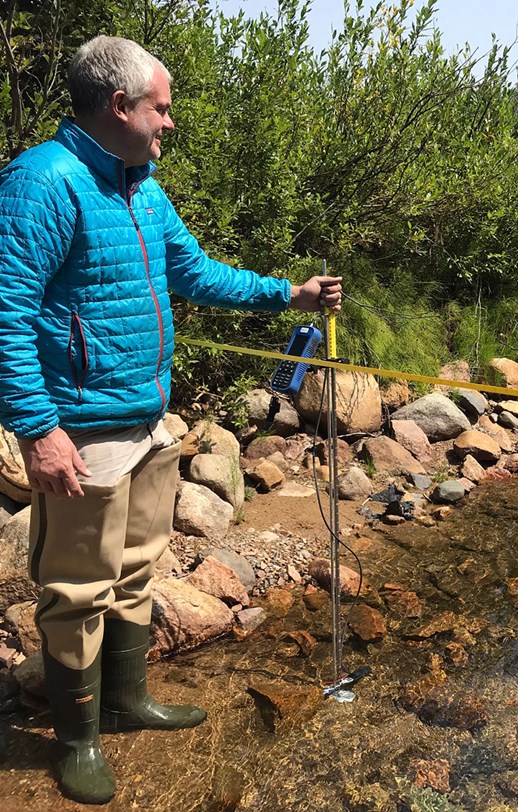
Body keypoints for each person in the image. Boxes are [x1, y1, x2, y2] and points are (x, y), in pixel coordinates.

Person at [0, 35, 341, 805]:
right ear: (119, 106)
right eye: (163, 108)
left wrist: (285, 294)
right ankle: (76, 738)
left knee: (135, 570)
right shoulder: (41, 183)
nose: (171, 123)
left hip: (148, 421)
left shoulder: (141, 185)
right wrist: (38, 428)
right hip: (80, 432)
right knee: (78, 591)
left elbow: (192, 271)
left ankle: (124, 701)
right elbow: (5, 314)